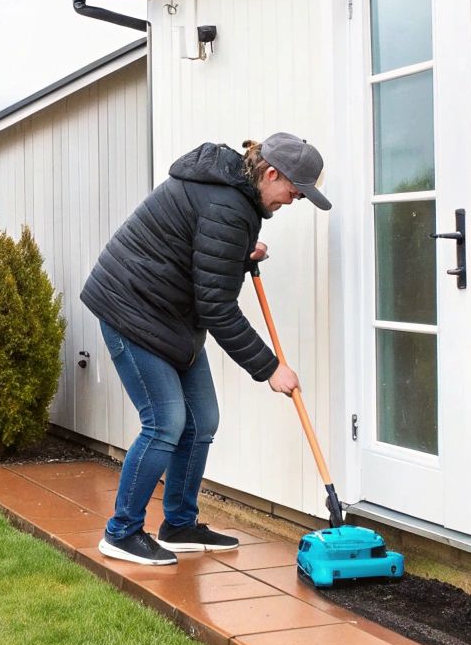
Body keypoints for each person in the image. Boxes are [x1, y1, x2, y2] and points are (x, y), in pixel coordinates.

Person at [80, 132, 331, 566]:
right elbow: (216, 306)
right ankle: (121, 532)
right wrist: (270, 368)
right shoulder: (228, 206)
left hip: (169, 316)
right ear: (271, 173)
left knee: (202, 420)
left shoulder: (235, 196)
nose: (292, 201)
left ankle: (178, 524)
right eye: (293, 192)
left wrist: (236, 254)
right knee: (165, 422)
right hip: (131, 309)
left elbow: (199, 251)